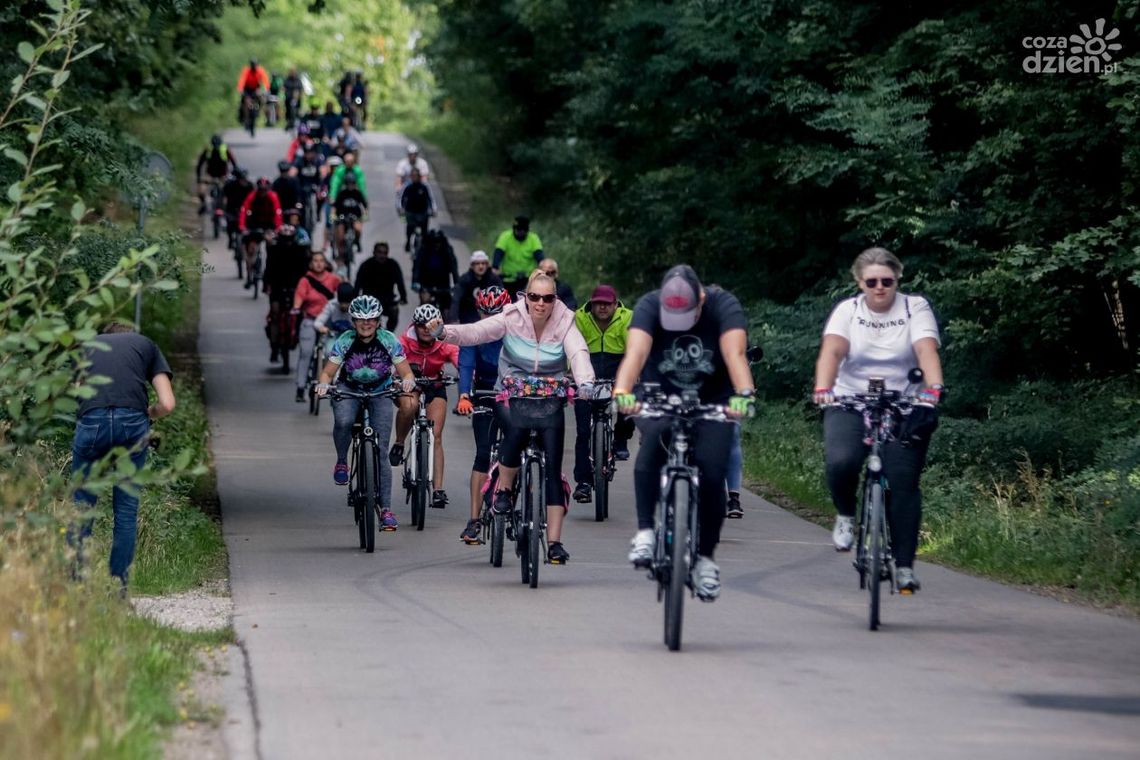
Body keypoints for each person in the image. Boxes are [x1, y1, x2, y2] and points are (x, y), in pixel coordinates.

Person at [427, 270, 596, 565]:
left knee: (553, 468)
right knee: (515, 430)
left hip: (550, 398)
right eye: (534, 297)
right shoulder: (511, 317)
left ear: (555, 299)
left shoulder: (565, 321)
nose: (541, 303)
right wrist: (443, 332)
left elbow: (578, 352)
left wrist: (585, 383)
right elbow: (476, 332)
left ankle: (554, 543)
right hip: (512, 393)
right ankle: (504, 490)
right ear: (525, 297)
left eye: (547, 298)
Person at [613, 265, 756, 601]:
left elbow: (735, 354)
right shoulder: (650, 305)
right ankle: (646, 532)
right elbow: (636, 353)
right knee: (654, 443)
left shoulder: (723, 306)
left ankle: (705, 558)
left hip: (714, 398)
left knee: (713, 472)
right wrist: (622, 391)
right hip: (659, 393)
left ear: (701, 299)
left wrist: (744, 394)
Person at [812, 247, 944, 593]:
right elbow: (833, 351)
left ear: (897, 279)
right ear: (860, 283)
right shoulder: (848, 310)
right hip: (850, 399)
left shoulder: (914, 307)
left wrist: (933, 390)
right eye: (872, 282)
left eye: (887, 281)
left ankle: (904, 566)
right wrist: (824, 388)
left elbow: (926, 350)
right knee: (842, 461)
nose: (880, 287)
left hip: (904, 402)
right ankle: (845, 514)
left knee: (903, 482)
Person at [71, 322, 176, 591]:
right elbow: (167, 403)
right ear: (131, 336)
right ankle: (118, 589)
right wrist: (148, 415)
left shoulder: (89, 346)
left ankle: (75, 587)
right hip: (132, 423)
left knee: (82, 506)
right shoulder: (145, 345)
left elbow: (77, 392)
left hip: (92, 421)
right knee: (126, 510)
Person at [316, 296, 416, 532]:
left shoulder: (388, 340)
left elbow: (406, 372)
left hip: (380, 391)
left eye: (371, 319)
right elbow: (327, 372)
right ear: (353, 321)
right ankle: (342, 461)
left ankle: (386, 510)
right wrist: (323, 384)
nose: (366, 323)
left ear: (378, 321)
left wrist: (408, 382)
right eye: (361, 319)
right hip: (349, 389)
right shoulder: (345, 340)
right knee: (344, 420)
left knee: (381, 452)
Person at [454, 286, 511, 544]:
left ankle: (523, 508)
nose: (491, 319)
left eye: (497, 313)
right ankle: (474, 519)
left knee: (522, 450)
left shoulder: (517, 331)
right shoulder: (475, 333)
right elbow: (466, 365)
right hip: (485, 392)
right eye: (486, 313)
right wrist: (464, 395)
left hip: (512, 393)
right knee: (483, 453)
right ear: (480, 312)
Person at [393, 304, 460, 509]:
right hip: (409, 386)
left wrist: (470, 379)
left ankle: (438, 489)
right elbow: (391, 363)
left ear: (438, 325)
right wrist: (395, 379)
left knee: (436, 436)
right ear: (415, 325)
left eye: (430, 325)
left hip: (434, 387)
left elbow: (460, 360)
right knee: (410, 406)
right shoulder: (404, 341)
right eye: (421, 325)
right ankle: (399, 442)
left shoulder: (444, 341)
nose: (425, 329)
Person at [571, 284, 635, 502]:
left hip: (617, 369)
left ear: (616, 305)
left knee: (630, 396)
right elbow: (571, 347)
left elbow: (633, 350)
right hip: (586, 374)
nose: (602, 308)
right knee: (583, 431)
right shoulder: (580, 318)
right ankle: (583, 482)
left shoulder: (627, 318)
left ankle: (621, 438)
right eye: (598, 303)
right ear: (591, 304)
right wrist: (570, 372)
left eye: (607, 304)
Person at [292, 251, 342, 402]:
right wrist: (296, 307)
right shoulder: (305, 280)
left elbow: (342, 293)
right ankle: (300, 387)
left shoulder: (333, 279)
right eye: (315, 260)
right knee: (306, 352)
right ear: (310, 263)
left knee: (331, 352)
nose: (318, 264)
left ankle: (330, 383)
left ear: (326, 263)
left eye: (321, 260)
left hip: (328, 322)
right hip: (310, 320)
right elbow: (299, 296)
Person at [263, 222, 311, 367]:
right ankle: (274, 346)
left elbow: (306, 271)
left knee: (301, 314)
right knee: (275, 315)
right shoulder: (274, 250)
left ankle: (298, 336)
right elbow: (269, 270)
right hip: (278, 288)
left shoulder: (300, 250)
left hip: (296, 288)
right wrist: (267, 286)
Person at [238, 177, 282, 289]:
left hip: (268, 225)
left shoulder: (273, 197)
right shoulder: (252, 196)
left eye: (265, 190)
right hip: (254, 225)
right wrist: (242, 226)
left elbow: (278, 212)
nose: (263, 192)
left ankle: (268, 275)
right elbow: (244, 210)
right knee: (251, 249)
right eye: (261, 190)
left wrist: (277, 228)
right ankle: (249, 275)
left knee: (272, 247)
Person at [354, 242, 408, 332]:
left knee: (394, 311)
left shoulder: (393, 265)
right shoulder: (366, 265)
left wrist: (403, 297)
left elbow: (400, 282)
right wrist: (355, 299)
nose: (382, 255)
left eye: (385, 253)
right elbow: (358, 284)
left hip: (387, 300)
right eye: (379, 252)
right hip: (370, 301)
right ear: (374, 252)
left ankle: (389, 332)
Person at [492, 215, 544, 299]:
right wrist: (495, 266)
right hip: (508, 280)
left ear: (527, 230)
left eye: (523, 230)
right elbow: (498, 252)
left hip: (528, 280)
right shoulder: (505, 236)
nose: (521, 232)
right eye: (518, 229)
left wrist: (543, 266)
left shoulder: (533, 238)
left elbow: (539, 255)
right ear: (514, 229)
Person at [411, 229, 458, 312]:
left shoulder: (447, 250)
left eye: (438, 242)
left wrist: (457, 283)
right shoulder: (424, 250)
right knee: (425, 303)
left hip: (443, 284)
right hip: (426, 283)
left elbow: (454, 267)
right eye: (434, 242)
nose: (436, 244)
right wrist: (415, 281)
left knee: (448, 308)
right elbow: (417, 267)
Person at [450, 250, 503, 324]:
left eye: (483, 263)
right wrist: (453, 319)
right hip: (468, 319)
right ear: (472, 266)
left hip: (489, 320)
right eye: (477, 264)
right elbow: (456, 299)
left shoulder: (494, 279)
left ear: (487, 265)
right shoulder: (464, 279)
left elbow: (503, 298)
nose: (481, 266)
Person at [331, 172, 367, 272]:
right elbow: (335, 206)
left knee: (358, 229)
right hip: (342, 217)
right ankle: (342, 253)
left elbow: (364, 205)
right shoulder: (342, 193)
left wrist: (365, 215)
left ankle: (357, 242)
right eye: (348, 183)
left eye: (352, 183)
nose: (350, 185)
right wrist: (333, 215)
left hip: (355, 216)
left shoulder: (357, 193)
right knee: (340, 236)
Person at [196, 135, 238, 214]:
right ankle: (204, 204)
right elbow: (200, 164)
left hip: (223, 175)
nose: (216, 147)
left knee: (227, 191)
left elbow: (234, 163)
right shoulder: (208, 150)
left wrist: (235, 174)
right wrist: (199, 177)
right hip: (210, 175)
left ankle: (227, 209)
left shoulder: (225, 149)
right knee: (201, 190)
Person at [399, 168, 435, 252]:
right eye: (413, 176)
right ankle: (408, 242)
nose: (414, 178)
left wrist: (432, 210)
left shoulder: (424, 188)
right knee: (409, 228)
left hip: (422, 212)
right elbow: (403, 199)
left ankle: (424, 247)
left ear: (419, 177)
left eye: (416, 176)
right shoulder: (408, 187)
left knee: (424, 231)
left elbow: (429, 199)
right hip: (410, 212)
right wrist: (402, 209)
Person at [222, 170, 254, 250]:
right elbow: (224, 196)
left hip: (245, 209)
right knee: (229, 224)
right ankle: (230, 239)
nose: (244, 181)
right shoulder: (230, 186)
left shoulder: (250, 186)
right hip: (232, 208)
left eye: (245, 179)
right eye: (242, 179)